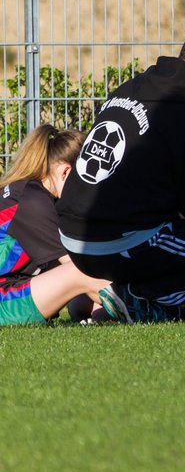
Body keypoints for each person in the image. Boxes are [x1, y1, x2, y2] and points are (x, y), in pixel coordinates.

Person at [56, 22, 185, 322]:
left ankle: (130, 296)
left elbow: (137, 169)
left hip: (72, 236)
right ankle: (143, 300)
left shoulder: (129, 89)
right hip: (116, 240)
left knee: (170, 232)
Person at [0, 125, 111, 324]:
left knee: (82, 300)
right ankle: (148, 308)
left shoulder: (30, 192)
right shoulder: (32, 201)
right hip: (4, 299)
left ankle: (123, 308)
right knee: (80, 272)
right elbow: (77, 267)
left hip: (11, 286)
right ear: (66, 172)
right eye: (85, 183)